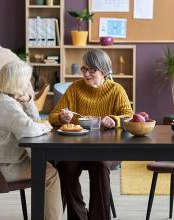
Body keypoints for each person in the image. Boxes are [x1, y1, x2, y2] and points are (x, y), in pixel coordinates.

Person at [49, 49, 133, 220]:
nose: (86, 74)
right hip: (77, 148)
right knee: (65, 167)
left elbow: (129, 117)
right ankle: (79, 216)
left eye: (92, 70)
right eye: (84, 69)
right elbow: (53, 116)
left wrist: (114, 119)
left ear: (104, 70)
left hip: (107, 149)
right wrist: (61, 117)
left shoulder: (116, 90)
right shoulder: (75, 89)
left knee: (100, 165)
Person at [0, 61, 62, 220]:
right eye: (27, 80)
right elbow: (31, 129)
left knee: (47, 167)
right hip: (0, 168)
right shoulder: (6, 105)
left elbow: (32, 122)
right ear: (18, 82)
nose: (29, 84)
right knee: (51, 173)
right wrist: (47, 126)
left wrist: (27, 100)